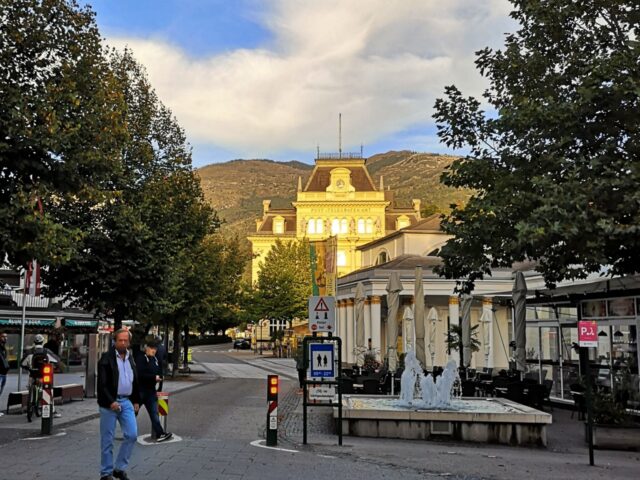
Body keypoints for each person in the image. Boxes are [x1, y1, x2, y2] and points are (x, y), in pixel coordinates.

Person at [97, 329, 140, 480]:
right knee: (107, 440)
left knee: (132, 434)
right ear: (114, 341)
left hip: (126, 401)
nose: (123, 343)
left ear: (129, 342)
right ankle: (106, 473)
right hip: (109, 403)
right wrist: (111, 401)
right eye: (120, 340)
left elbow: (135, 380)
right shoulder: (106, 358)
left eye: (125, 340)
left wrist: (136, 400)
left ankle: (119, 467)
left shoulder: (131, 358)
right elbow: (102, 384)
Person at [134, 339, 172, 442]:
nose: (153, 351)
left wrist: (159, 378)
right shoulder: (141, 358)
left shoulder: (154, 359)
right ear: (147, 348)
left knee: (154, 413)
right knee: (133, 412)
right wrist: (153, 378)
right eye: (152, 349)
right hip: (140, 391)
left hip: (151, 391)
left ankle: (160, 434)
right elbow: (140, 375)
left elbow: (158, 371)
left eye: (155, 349)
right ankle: (128, 431)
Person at [0, 332, 9, 417]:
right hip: (0, 372)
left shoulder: (3, 348)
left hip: (3, 373)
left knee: (0, 392)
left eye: (6, 337)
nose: (5, 338)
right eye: (3, 337)